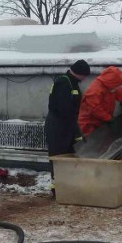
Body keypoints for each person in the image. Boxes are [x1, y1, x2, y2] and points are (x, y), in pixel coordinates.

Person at [44, 59, 91, 196]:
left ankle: (67, 185)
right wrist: (75, 131)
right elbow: (64, 110)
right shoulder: (64, 83)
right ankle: (57, 188)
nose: (85, 79)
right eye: (84, 75)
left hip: (66, 124)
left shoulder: (72, 83)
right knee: (58, 156)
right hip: (58, 126)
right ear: (79, 73)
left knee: (68, 155)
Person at [78, 66, 122, 137]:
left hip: (103, 120)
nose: (118, 86)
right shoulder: (95, 90)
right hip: (89, 124)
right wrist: (110, 119)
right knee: (94, 144)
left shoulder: (111, 87)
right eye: (118, 84)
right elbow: (94, 109)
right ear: (112, 82)